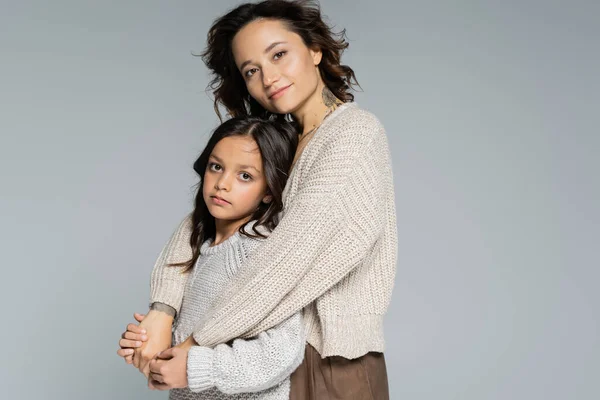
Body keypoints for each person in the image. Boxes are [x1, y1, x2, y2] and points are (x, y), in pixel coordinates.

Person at [119, 1, 397, 398]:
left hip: (330, 360)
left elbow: (289, 260)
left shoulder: (352, 134)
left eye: (279, 54)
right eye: (252, 70)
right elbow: (199, 224)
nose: (269, 77)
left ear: (315, 50)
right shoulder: (279, 140)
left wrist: (195, 345)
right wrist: (163, 311)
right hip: (265, 358)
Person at [121, 117, 304, 399]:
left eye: (245, 176)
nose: (222, 184)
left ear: (268, 191)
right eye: (216, 167)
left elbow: (280, 352)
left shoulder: (259, 252)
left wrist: (194, 367)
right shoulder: (200, 247)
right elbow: (198, 339)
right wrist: (148, 348)